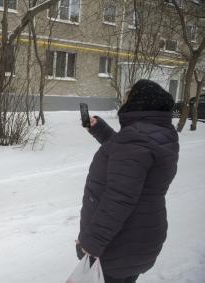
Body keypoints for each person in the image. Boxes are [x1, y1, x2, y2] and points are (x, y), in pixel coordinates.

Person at [76, 79, 179, 283]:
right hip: (143, 236)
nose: (123, 103)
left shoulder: (134, 138)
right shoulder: (161, 133)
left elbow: (119, 199)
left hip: (119, 242)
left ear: (138, 103)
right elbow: (131, 158)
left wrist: (91, 243)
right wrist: (100, 130)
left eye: (126, 98)